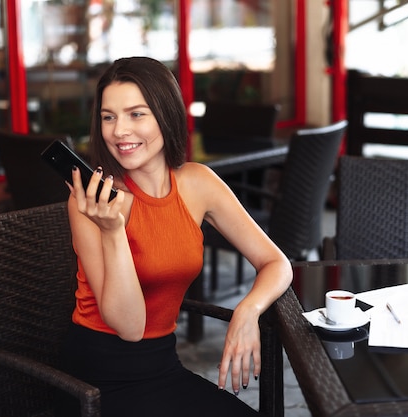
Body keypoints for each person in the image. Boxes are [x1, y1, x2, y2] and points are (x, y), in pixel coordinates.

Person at [59, 56, 293, 417]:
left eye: (136, 114)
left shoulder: (198, 182)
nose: (119, 130)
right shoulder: (90, 202)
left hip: (163, 366)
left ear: (166, 115)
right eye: (109, 116)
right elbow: (130, 327)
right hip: (97, 380)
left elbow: (277, 262)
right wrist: (113, 230)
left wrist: (247, 312)